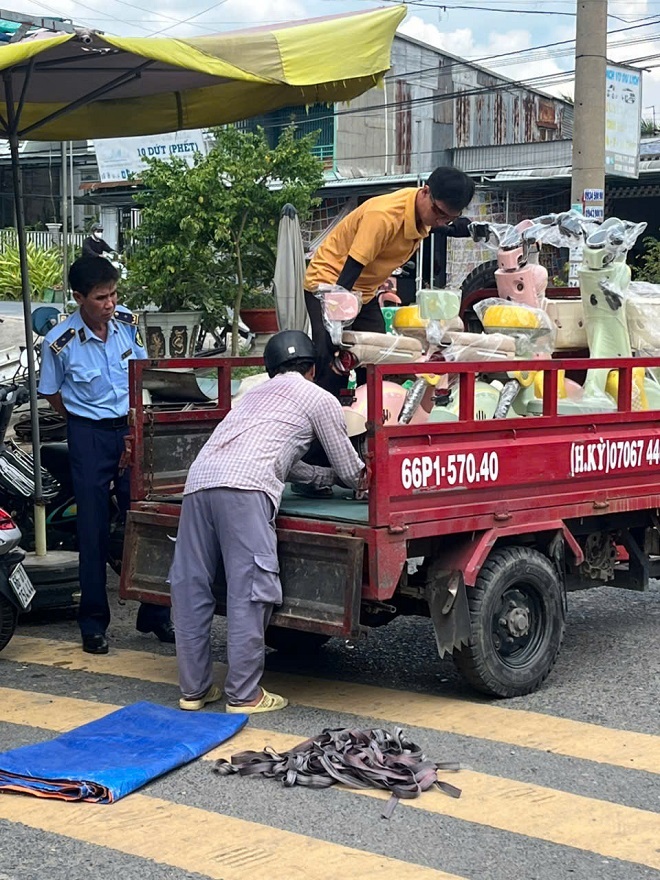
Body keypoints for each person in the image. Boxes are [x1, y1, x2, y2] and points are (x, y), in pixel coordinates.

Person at [169, 330, 366, 714]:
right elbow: (348, 467)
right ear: (313, 369)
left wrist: (319, 478)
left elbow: (279, 454)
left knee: (191, 588)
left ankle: (194, 691)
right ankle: (245, 695)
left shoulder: (252, 396)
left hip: (199, 483)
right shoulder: (319, 398)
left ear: (271, 368)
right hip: (246, 490)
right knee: (250, 590)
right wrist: (365, 480)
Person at [38, 257, 174, 655]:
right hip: (89, 435)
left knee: (146, 521)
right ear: (78, 297)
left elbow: (142, 371)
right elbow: (52, 393)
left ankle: (155, 613)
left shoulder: (127, 323)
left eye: (114, 294)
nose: (110, 304)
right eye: (101, 298)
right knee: (93, 530)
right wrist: (82, 421)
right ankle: (94, 623)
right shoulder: (59, 342)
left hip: (130, 430)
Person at [304, 166, 475, 395]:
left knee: (377, 356)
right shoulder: (383, 216)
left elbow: (437, 226)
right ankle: (327, 411)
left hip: (364, 291)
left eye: (448, 218)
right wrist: (335, 321)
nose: (440, 221)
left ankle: (368, 412)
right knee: (331, 358)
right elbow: (352, 267)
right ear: (425, 191)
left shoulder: (425, 213)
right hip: (330, 283)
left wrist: (457, 228)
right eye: (438, 213)